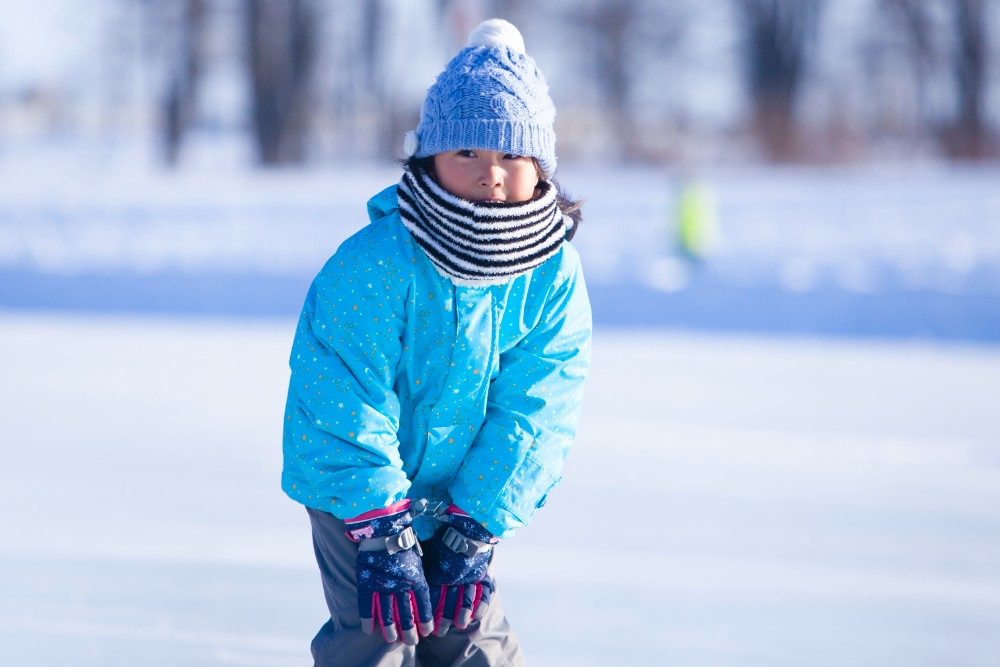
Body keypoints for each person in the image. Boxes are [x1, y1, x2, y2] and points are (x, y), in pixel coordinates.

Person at [281, 18, 591, 667]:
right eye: (469, 154)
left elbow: (539, 404)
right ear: (427, 158)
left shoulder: (551, 275)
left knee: (470, 640)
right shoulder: (377, 264)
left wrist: (476, 521)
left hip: (461, 496)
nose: (492, 175)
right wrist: (380, 524)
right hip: (355, 494)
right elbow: (342, 391)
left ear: (542, 167)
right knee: (379, 629)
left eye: (511, 154)